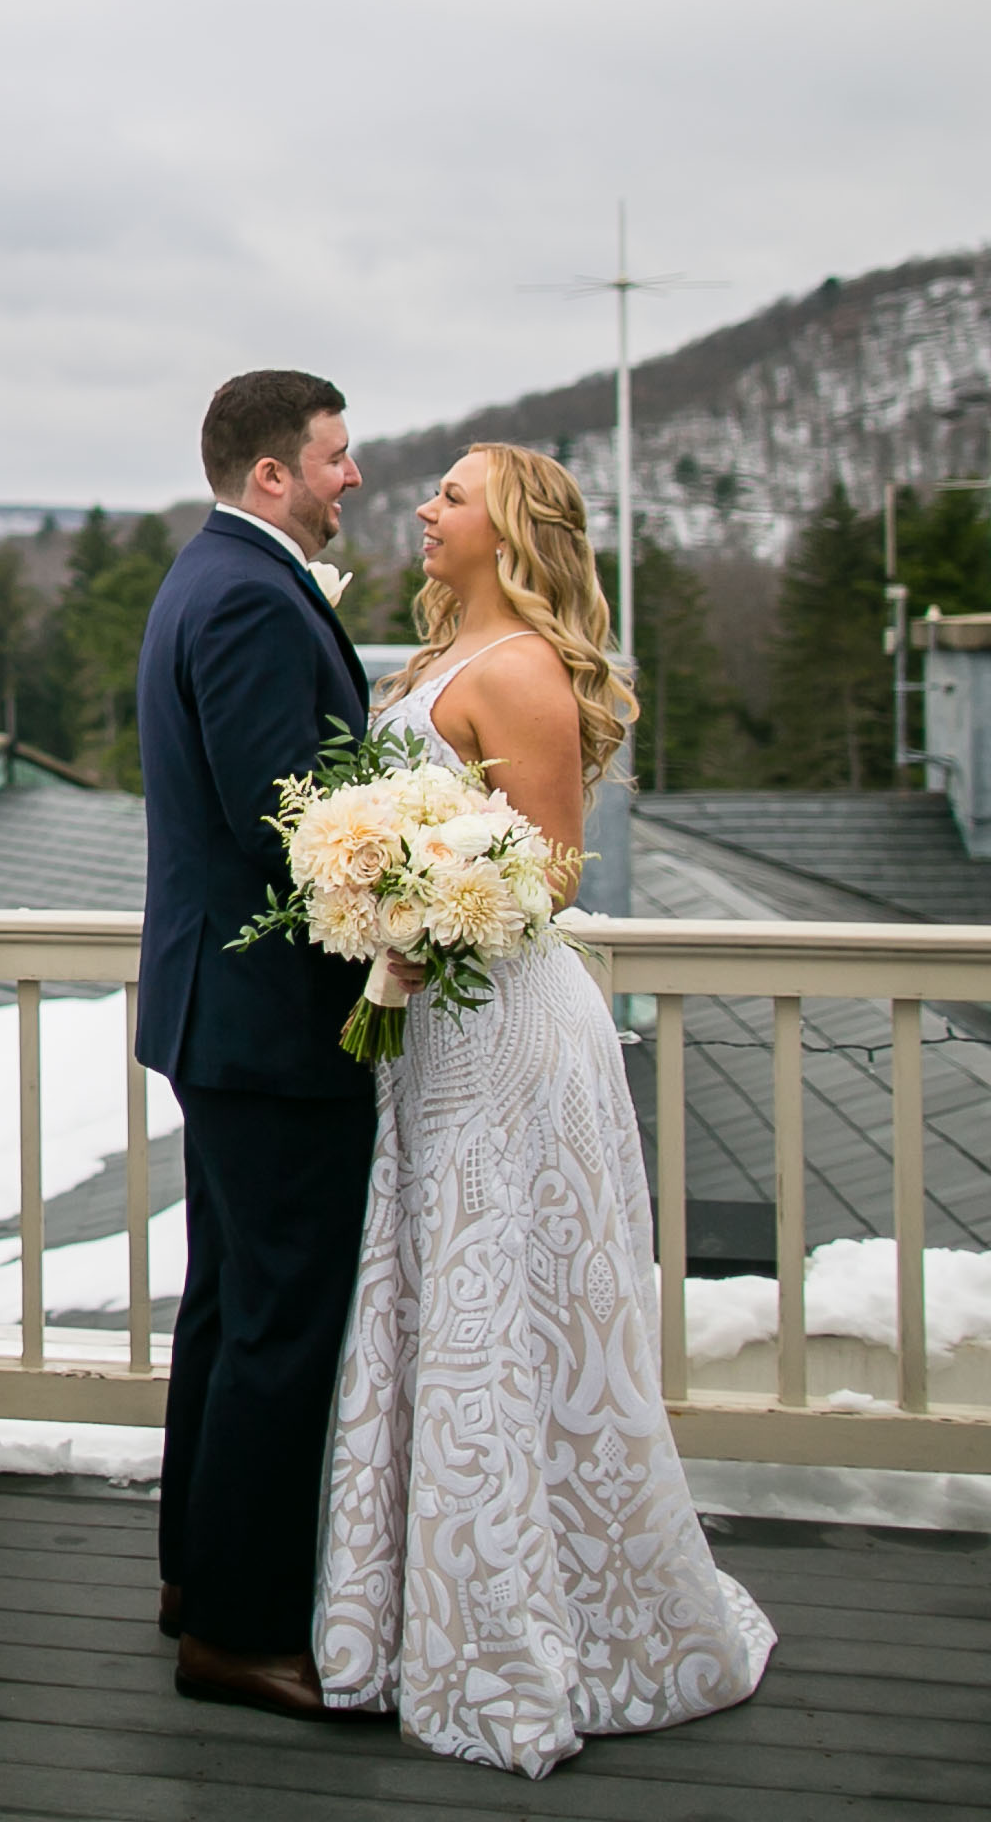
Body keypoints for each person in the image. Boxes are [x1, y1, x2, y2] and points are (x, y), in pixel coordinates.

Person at [313, 442, 776, 1774]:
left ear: (508, 527)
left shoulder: (517, 671)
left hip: (508, 1026)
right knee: (449, 1298)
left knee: (496, 1312)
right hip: (437, 1030)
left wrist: (422, 909)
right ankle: (427, 1619)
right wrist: (373, 901)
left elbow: (555, 870)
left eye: (451, 495)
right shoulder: (432, 665)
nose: (424, 508)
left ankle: (519, 1642)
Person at [133, 369, 381, 1718]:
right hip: (270, 1025)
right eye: (337, 458)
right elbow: (289, 825)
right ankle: (238, 1630)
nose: (354, 478)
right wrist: (411, 895)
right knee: (282, 1327)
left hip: (222, 1018)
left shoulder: (213, 577)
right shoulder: (244, 597)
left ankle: (195, 1572)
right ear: (273, 473)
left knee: (232, 1311)